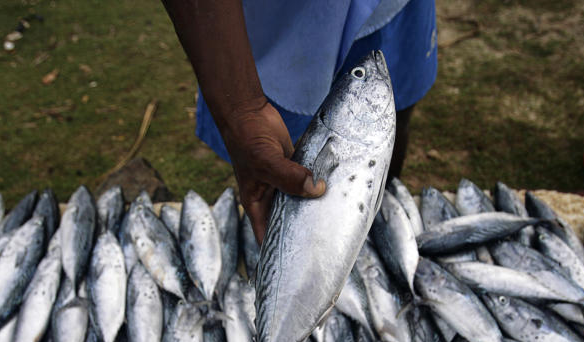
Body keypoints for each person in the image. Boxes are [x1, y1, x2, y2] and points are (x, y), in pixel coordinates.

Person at [162, 0, 437, 243]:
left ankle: (376, 232)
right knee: (278, 157)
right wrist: (243, 108)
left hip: (390, 8)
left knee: (391, 115)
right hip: (276, 24)